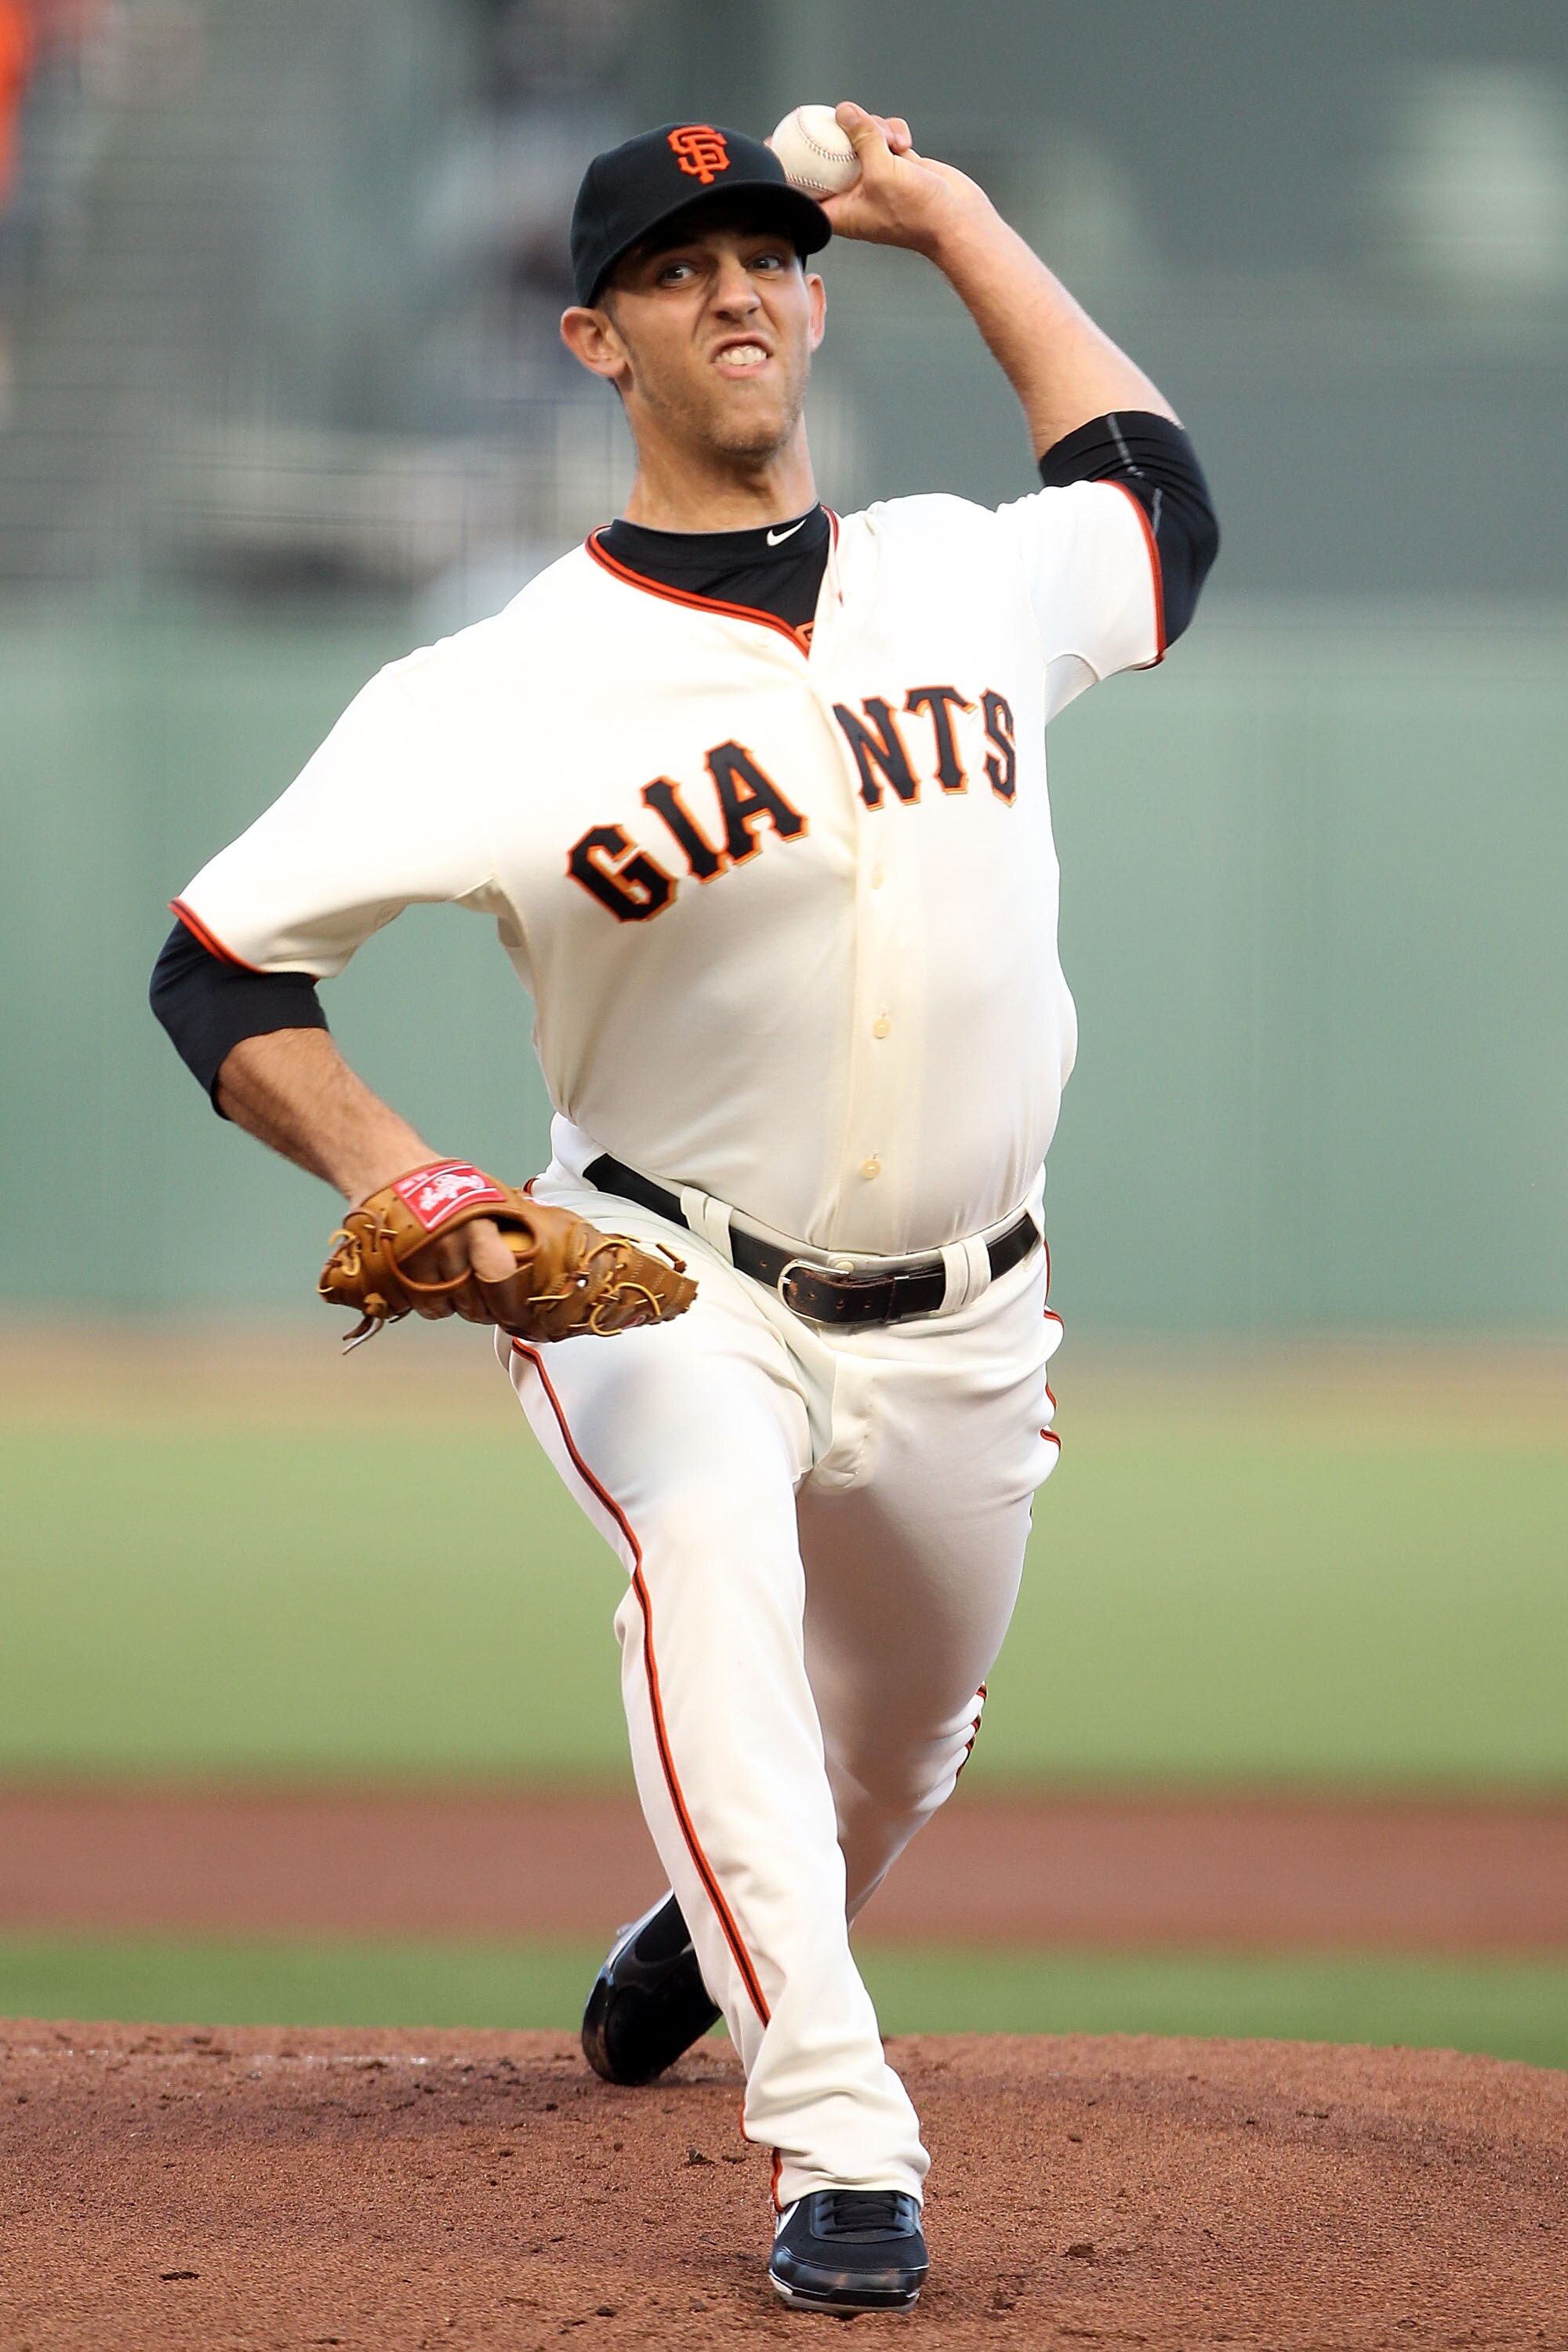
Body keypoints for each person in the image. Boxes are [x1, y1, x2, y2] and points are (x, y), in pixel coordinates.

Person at [151, 104, 1217, 2315]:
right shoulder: (494, 684)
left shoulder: (964, 573)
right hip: (662, 1280)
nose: (741, 289)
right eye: (679, 266)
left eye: (773, 256)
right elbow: (221, 959)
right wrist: (400, 1174)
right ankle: (840, 2139)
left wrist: (948, 213)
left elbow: (1156, 505)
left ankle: (710, 1916)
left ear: (816, 298)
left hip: (969, 1322)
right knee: (711, 1567)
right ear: (594, 337)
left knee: (898, 1746)